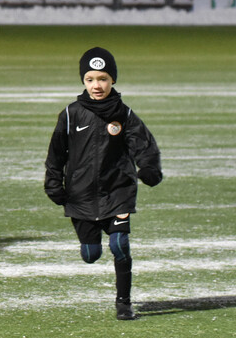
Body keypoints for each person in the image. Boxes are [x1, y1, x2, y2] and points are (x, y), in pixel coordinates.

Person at [44, 46, 163, 320]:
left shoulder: (124, 114)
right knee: (91, 254)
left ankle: (124, 303)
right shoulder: (71, 114)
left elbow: (144, 145)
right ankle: (91, 241)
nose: (97, 85)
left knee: (120, 245)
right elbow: (55, 154)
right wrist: (54, 184)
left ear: (113, 80)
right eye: (90, 79)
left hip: (117, 191)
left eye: (103, 79)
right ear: (83, 81)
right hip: (81, 195)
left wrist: (149, 168)